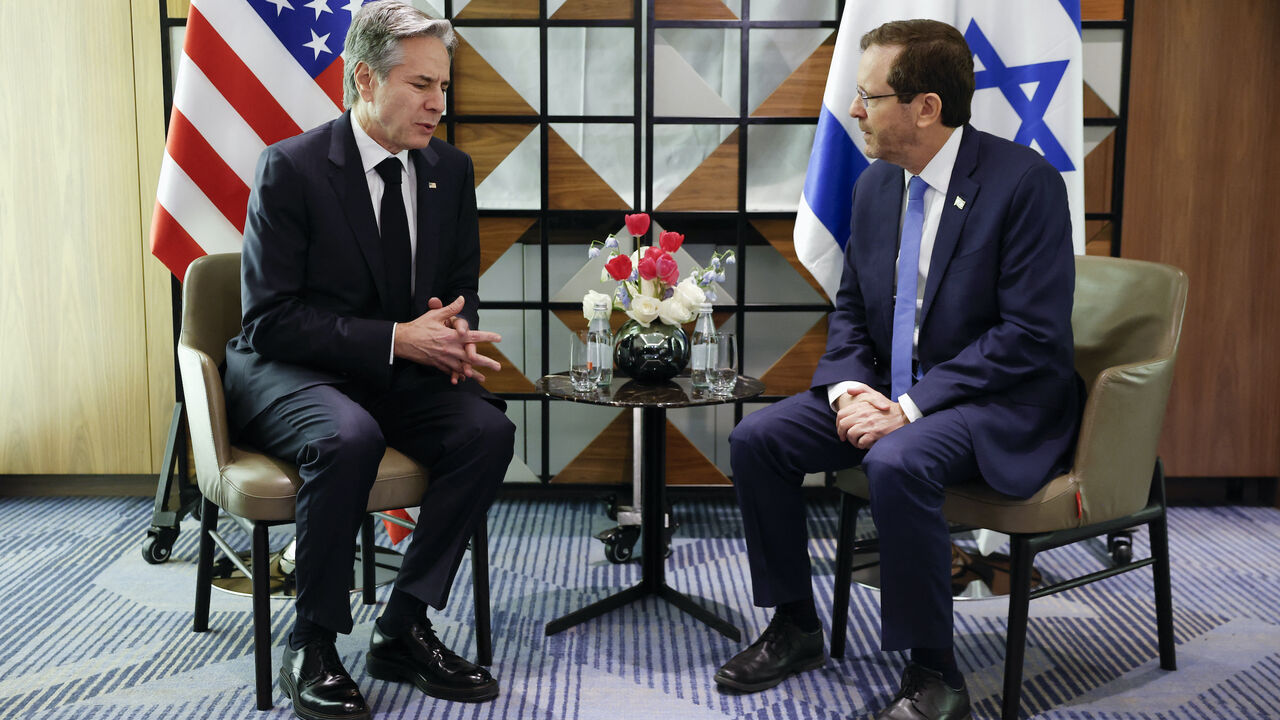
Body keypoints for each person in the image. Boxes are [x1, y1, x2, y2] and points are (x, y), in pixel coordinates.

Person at [714, 19, 1083, 720]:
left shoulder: (1023, 184)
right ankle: (796, 626)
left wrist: (907, 410)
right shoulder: (878, 187)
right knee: (759, 441)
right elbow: (852, 309)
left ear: (925, 107)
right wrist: (854, 388)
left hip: (996, 402)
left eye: (867, 95)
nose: (854, 110)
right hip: (890, 391)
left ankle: (934, 672)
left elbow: (1029, 337)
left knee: (897, 461)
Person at [221, 3, 515, 719]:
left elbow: (458, 287)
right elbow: (268, 320)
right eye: (421, 86)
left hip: (394, 374)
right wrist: (397, 339)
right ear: (363, 79)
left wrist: (452, 336)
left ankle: (403, 624)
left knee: (488, 431)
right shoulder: (291, 168)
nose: (438, 106)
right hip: (289, 370)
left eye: (442, 87)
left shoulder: (450, 168)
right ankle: (312, 643)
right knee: (346, 437)